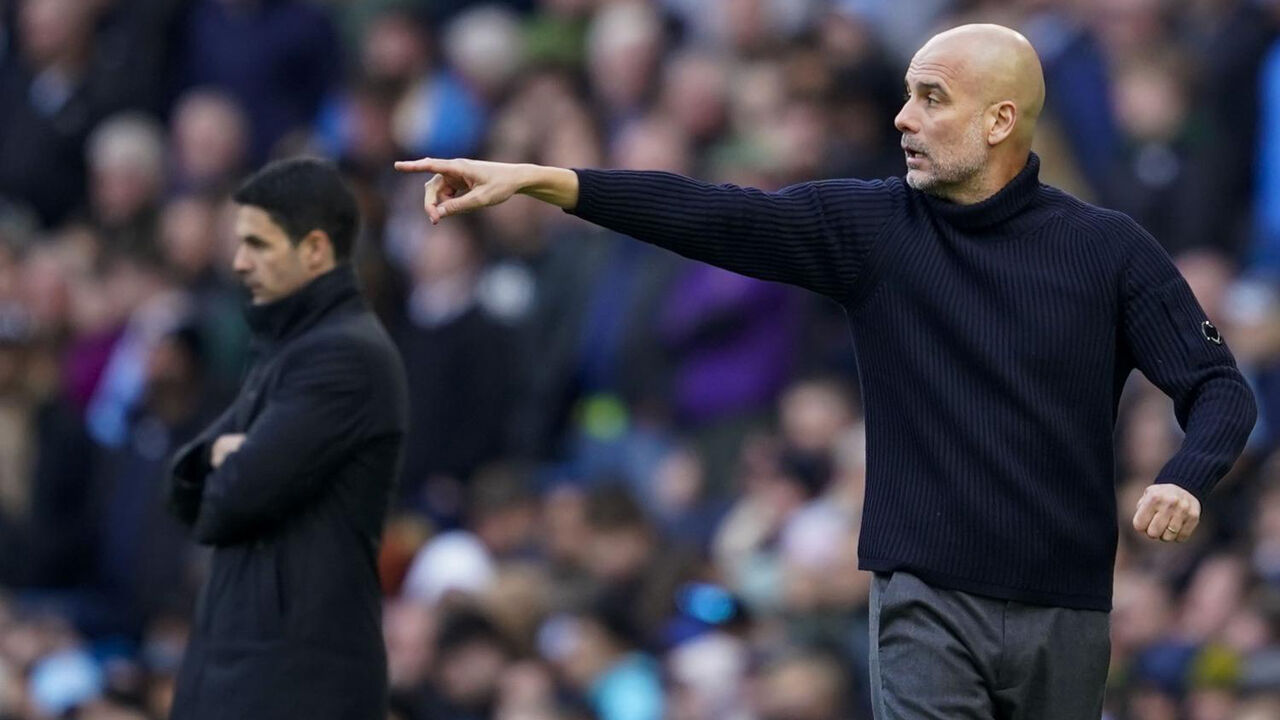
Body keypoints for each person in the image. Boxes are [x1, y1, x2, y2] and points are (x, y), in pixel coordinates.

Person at [394, 23, 1259, 720]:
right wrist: (550, 179)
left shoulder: (1105, 250)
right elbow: (714, 214)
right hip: (926, 600)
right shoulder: (873, 227)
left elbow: (1217, 386)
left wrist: (1187, 476)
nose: (901, 120)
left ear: (1000, 121)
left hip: (1066, 612)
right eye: (906, 96)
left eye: (931, 99)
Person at [165, 158, 408, 719]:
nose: (238, 262)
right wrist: (220, 458)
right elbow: (185, 482)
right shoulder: (284, 352)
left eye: (258, 244)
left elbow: (232, 498)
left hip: (293, 679)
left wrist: (229, 461)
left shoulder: (344, 358)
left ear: (316, 251)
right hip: (246, 663)